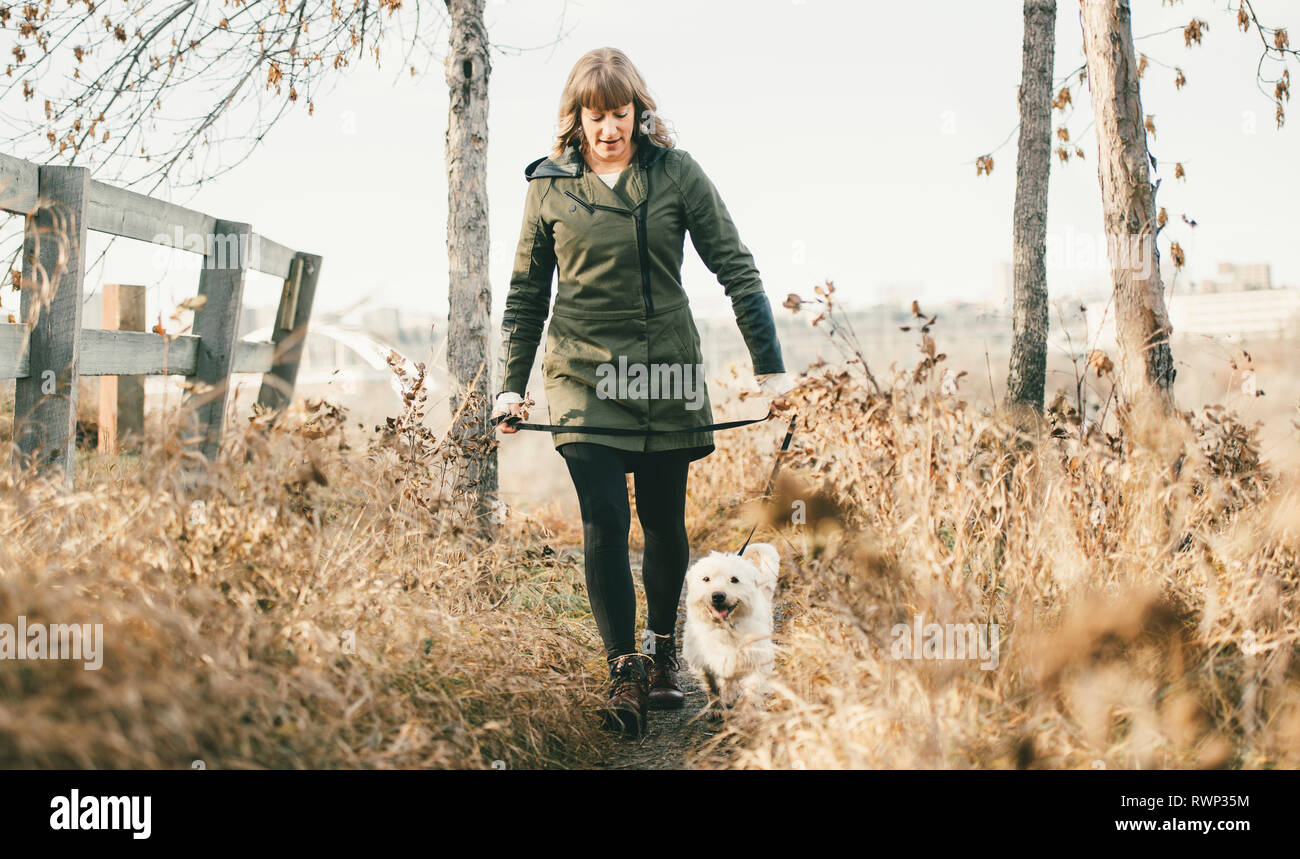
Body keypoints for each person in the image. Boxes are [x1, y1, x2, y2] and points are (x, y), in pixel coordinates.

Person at [492, 47, 790, 737]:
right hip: (581, 372)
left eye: (621, 115)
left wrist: (770, 371)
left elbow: (737, 269)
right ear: (577, 119)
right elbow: (526, 294)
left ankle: (661, 653)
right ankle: (622, 666)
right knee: (603, 519)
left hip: (665, 372)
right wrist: (510, 387)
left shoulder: (676, 173)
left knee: (661, 518)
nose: (609, 131)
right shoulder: (548, 186)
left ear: (639, 112)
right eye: (596, 118)